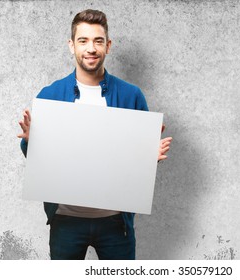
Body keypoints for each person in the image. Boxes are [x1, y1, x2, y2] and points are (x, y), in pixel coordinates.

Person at [17, 9, 172, 260]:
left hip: (115, 223)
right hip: (66, 221)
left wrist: (148, 159)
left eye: (98, 41)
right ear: (71, 45)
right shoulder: (50, 95)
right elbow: (38, 161)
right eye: (83, 40)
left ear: (108, 46)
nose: (91, 48)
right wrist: (30, 144)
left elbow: (137, 161)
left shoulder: (131, 96)